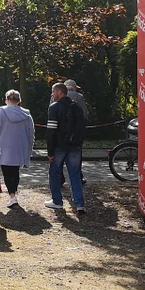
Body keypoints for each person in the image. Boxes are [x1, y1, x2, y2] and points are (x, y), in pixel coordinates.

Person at [46, 82, 86, 213]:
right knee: (74, 174)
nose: (52, 94)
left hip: (59, 146)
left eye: (53, 91)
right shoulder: (77, 107)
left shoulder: (54, 107)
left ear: (59, 92)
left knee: (55, 173)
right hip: (75, 145)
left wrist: (50, 150)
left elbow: (51, 130)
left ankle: (57, 201)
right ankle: (79, 203)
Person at [0, 90, 35, 208]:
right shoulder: (26, 115)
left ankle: (12, 196)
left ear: (7, 99)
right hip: (19, 148)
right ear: (19, 101)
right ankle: (13, 194)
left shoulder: (0, 112)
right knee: (15, 172)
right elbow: (31, 133)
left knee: (6, 172)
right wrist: (29, 148)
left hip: (3, 147)